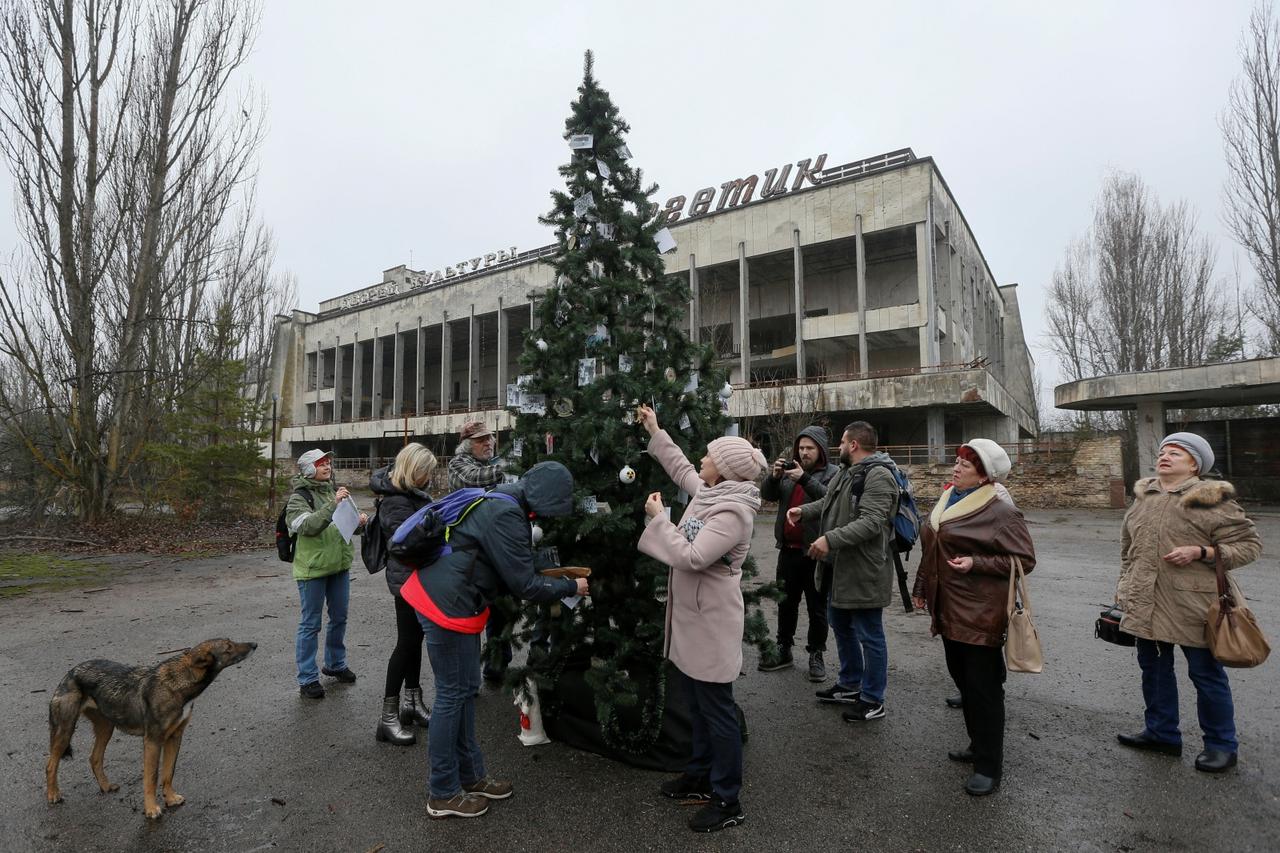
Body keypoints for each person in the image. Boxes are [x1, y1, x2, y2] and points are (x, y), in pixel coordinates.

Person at [399, 461, 589, 820]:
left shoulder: (505, 499)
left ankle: (471, 776)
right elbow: (525, 585)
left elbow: (512, 562)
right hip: (446, 604)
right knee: (453, 695)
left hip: (458, 601)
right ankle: (442, 792)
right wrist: (570, 586)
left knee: (466, 690)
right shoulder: (506, 513)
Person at [636, 404, 765, 834]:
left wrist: (659, 520)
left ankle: (728, 797)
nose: (702, 461)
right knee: (696, 701)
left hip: (711, 622)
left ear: (724, 471)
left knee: (717, 709)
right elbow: (681, 469)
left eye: (710, 457)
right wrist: (656, 430)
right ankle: (698, 775)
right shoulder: (714, 492)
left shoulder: (732, 512)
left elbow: (692, 557)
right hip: (694, 617)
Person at [1114, 432, 1261, 773]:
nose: (1165, 456)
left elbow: (1250, 546)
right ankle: (1162, 733)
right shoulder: (1144, 497)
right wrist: (1124, 584)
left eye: (1176, 453)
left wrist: (1204, 552)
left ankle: (1222, 745)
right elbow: (1127, 549)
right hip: (1145, 600)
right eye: (1164, 451)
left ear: (1195, 464)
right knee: (1153, 670)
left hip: (1195, 604)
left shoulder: (1211, 499)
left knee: (1206, 675)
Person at [911, 439, 1035, 796]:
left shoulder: (1000, 511)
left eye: (966, 464)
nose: (956, 467)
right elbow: (932, 549)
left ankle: (989, 765)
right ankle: (976, 744)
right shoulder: (948, 499)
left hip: (981, 610)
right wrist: (922, 587)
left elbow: (1024, 559)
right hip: (948, 605)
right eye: (957, 461)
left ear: (985, 476)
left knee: (983, 690)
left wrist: (975, 563)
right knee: (963, 682)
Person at [787, 421, 896, 722]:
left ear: (854, 445)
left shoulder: (879, 476)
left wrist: (829, 539)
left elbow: (872, 522)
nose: (838, 448)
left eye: (842, 442)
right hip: (840, 568)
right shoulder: (847, 472)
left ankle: (873, 699)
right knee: (842, 625)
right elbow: (828, 501)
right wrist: (803, 511)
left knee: (869, 634)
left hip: (863, 571)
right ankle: (850, 684)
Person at [369, 443, 439, 746]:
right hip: (407, 581)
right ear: (415, 471)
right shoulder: (396, 502)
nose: (431, 478)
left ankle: (412, 702)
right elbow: (403, 543)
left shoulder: (411, 496)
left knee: (415, 642)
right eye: (428, 472)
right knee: (406, 644)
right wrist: (436, 528)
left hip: (416, 578)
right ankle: (387, 718)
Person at [759, 426, 839, 680]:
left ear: (821, 451)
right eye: (801, 448)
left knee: (817, 607)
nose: (804, 453)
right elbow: (768, 495)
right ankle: (784, 648)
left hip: (815, 552)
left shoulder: (832, 473)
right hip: (788, 551)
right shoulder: (788, 473)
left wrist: (803, 478)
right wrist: (773, 477)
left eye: (809, 448)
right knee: (786, 602)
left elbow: (830, 500)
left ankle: (816, 654)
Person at [287, 449, 367, 700]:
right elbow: (307, 527)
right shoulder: (299, 497)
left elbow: (344, 527)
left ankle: (335, 664)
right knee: (311, 624)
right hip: (312, 570)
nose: (327, 466)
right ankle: (308, 678)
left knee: (339, 618)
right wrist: (334, 505)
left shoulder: (333, 492)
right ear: (308, 468)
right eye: (321, 463)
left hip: (338, 567)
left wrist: (359, 521)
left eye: (329, 462)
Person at [447, 420, 512, 680]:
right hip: (471, 552)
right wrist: (512, 463)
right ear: (466, 445)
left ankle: (497, 664)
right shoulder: (459, 465)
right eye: (480, 440)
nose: (488, 443)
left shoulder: (493, 463)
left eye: (490, 438)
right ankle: (469, 673)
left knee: (502, 609)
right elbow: (478, 478)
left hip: (497, 549)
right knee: (473, 612)